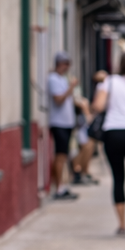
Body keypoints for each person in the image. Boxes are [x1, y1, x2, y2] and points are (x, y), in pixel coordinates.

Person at [94, 54, 125, 237]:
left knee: (118, 178)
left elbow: (98, 106)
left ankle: (122, 224)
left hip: (113, 133)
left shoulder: (110, 81)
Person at [45, 53, 78, 201]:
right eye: (66, 64)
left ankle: (60, 185)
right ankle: (58, 187)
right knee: (60, 155)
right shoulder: (53, 79)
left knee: (63, 155)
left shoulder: (62, 79)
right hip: (58, 123)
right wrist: (71, 88)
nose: (68, 67)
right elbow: (58, 99)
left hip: (67, 123)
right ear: (60, 64)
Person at [72, 70, 108, 185]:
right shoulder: (102, 87)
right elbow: (96, 106)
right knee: (86, 147)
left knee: (88, 147)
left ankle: (84, 171)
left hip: (86, 121)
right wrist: (88, 114)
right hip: (83, 122)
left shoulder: (101, 87)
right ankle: (79, 171)